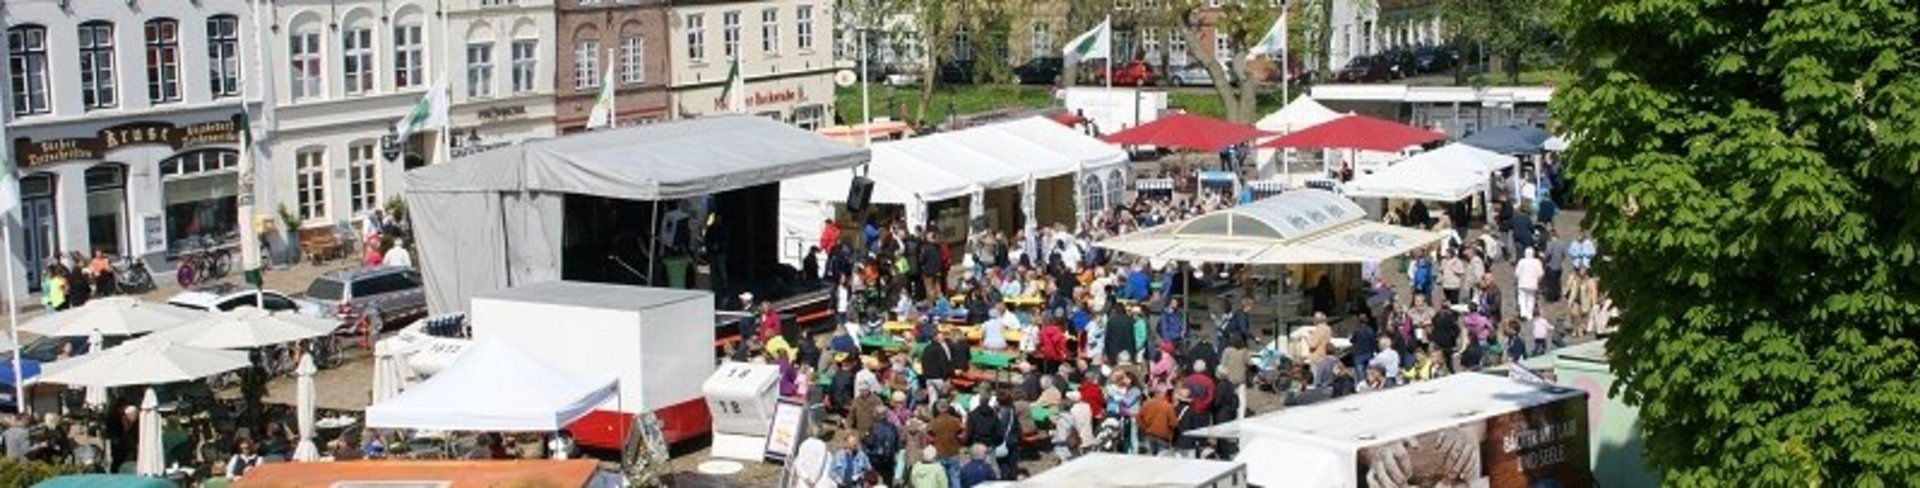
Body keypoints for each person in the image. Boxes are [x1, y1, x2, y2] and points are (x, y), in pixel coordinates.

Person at [1515, 248, 1545, 320]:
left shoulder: (1521, 261)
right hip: (1533, 284)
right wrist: (1537, 279)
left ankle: (1523, 313)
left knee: (1522, 298)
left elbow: (1517, 273)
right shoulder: (1536, 262)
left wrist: (1519, 278)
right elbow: (1541, 273)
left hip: (1522, 283)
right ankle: (1529, 314)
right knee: (1531, 299)